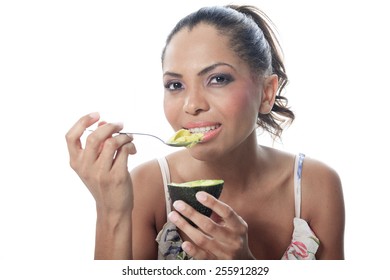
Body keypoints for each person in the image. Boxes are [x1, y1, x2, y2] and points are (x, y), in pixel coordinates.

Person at [65, 5, 345, 260]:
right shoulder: (146, 187)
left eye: (218, 79)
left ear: (266, 93)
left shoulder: (315, 186)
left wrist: (246, 269)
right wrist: (111, 210)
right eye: (175, 85)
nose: (192, 105)